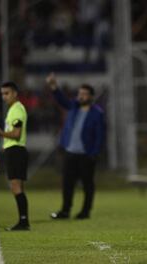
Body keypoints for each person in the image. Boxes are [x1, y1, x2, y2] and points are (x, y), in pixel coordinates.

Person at [46, 73, 105, 220]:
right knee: (67, 184)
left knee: (87, 185)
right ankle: (65, 211)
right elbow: (61, 100)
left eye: (84, 94)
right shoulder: (74, 106)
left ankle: (85, 211)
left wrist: (94, 153)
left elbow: (100, 135)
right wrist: (54, 86)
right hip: (71, 152)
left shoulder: (97, 113)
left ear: (91, 96)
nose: (81, 96)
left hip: (86, 154)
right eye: (80, 93)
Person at [0, 81, 29, 231]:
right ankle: (23, 221)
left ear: (15, 93)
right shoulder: (13, 109)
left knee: (15, 186)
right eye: (2, 94)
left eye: (7, 93)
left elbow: (17, 135)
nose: (4, 97)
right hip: (14, 150)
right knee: (17, 187)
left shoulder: (17, 109)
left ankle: (23, 222)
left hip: (16, 150)